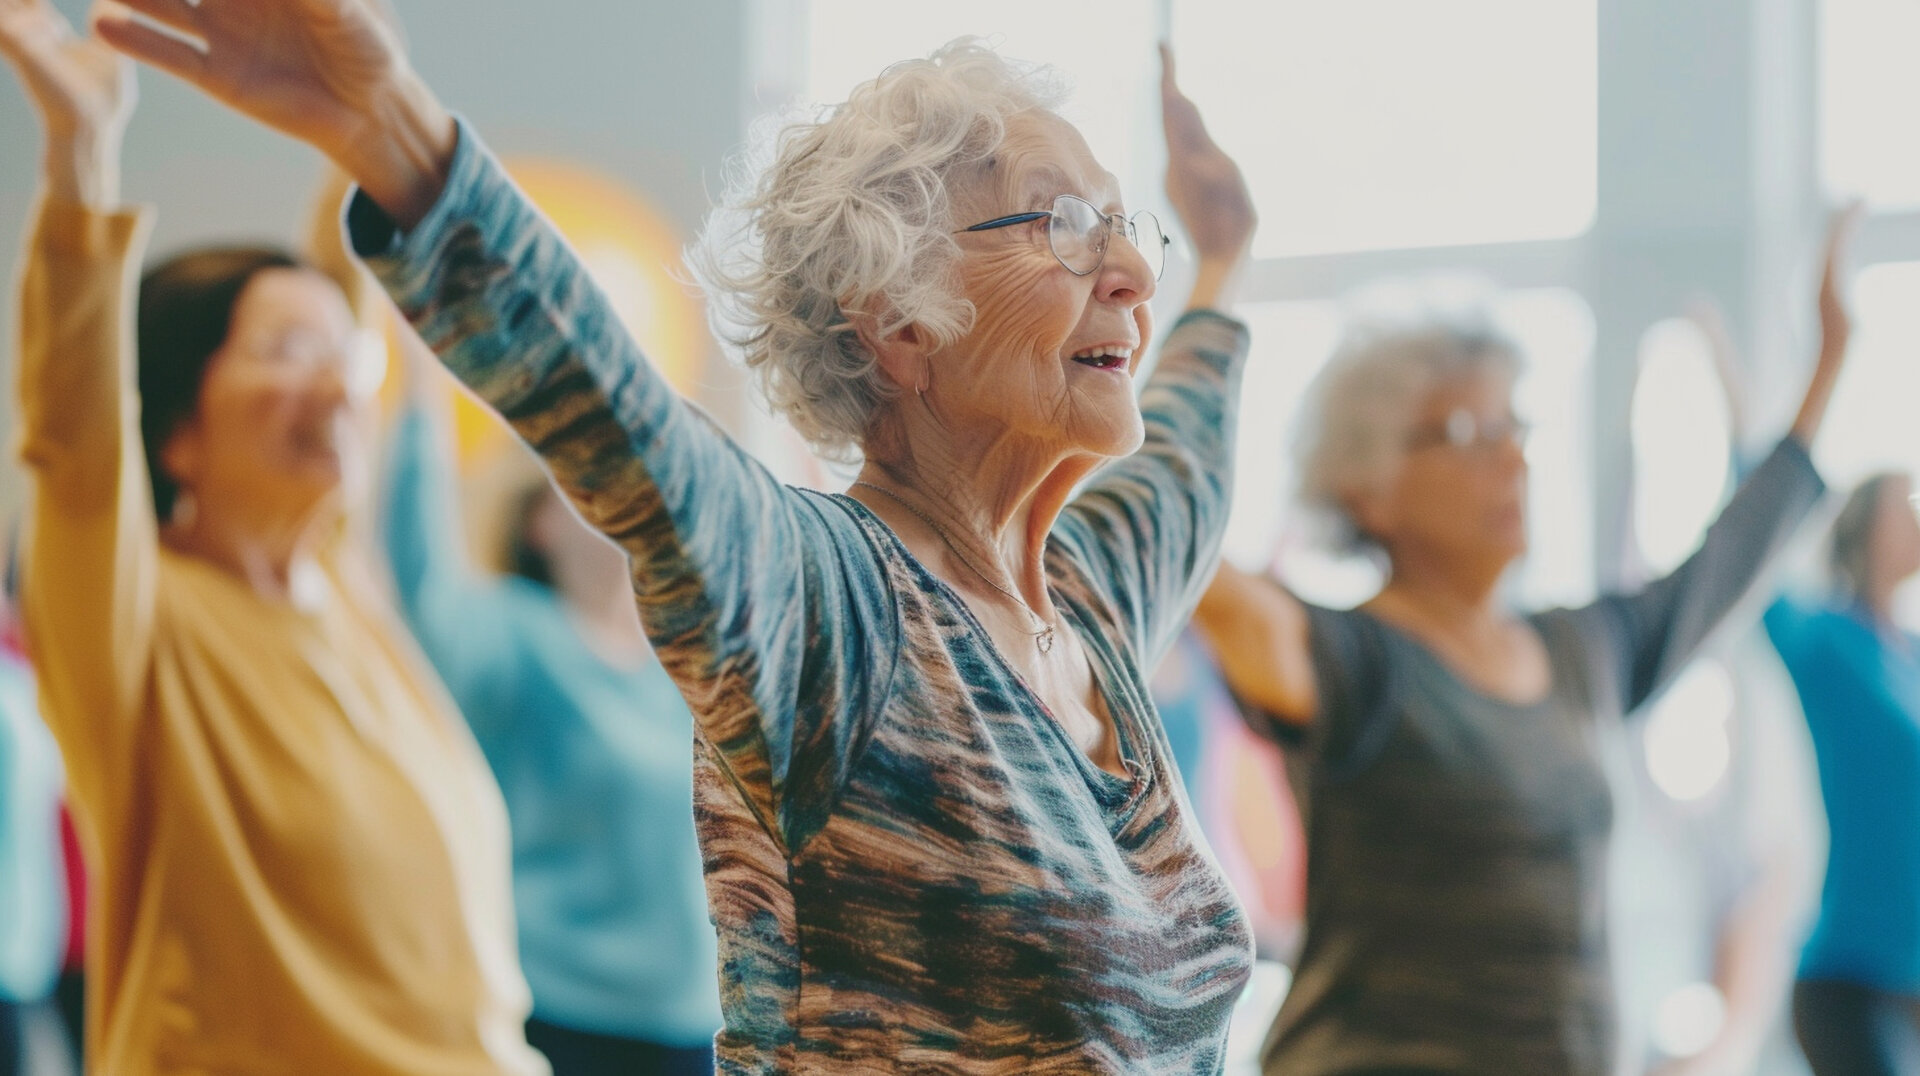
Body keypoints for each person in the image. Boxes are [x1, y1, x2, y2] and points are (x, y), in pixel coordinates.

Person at [96, 1, 1264, 1068]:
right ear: (901, 322)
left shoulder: (1085, 599)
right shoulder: (833, 607)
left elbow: (1191, 460)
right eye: (1062, 221)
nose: (1125, 270)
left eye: (1123, 224)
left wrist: (1220, 256)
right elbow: (618, 412)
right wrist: (390, 127)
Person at [1, 0, 546, 1070]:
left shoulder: (342, 590)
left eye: (344, 354)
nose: (338, 380)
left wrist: (359, 123)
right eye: (288, 349)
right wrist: (81, 158)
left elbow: (353, 289)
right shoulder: (139, 625)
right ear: (179, 433)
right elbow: (75, 446)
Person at [1191, 219, 1857, 1072]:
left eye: (1516, 429)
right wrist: (1209, 281)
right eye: (1469, 436)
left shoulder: (1581, 652)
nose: (1512, 462)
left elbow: (1728, 561)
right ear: (1367, 488)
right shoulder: (1349, 658)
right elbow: (1177, 546)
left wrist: (1830, 362)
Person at [384, 338, 723, 1075]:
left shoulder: (687, 657)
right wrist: (418, 388)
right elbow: (422, 578)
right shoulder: (516, 637)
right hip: (561, 1016)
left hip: (696, 1024)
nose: (618, 499)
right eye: (586, 485)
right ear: (539, 523)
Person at [1766, 471, 1920, 1075]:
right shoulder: (1826, 640)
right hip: (1848, 982)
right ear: (1864, 528)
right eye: (1903, 503)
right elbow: (1756, 567)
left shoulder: (1913, 654)